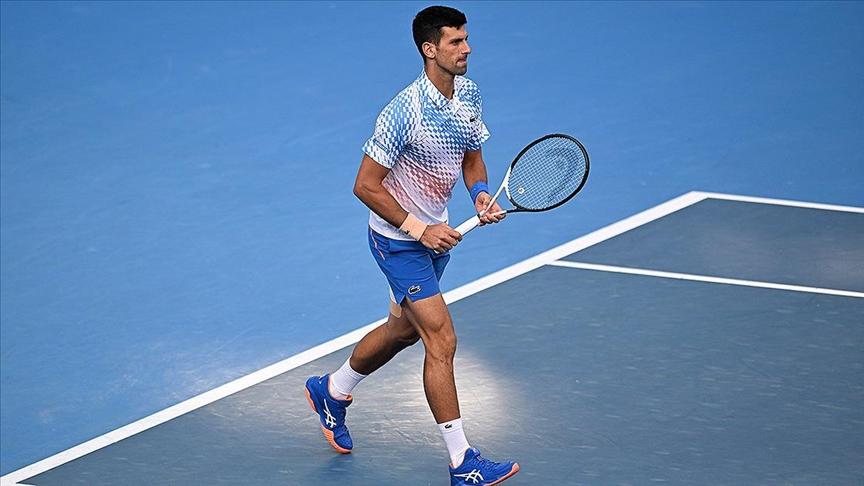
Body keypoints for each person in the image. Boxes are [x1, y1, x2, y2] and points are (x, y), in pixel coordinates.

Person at [305, 6, 519, 485]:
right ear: (429, 49)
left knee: (402, 332)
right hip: (398, 242)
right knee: (441, 340)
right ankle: (462, 463)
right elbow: (365, 185)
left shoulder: (468, 94)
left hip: (434, 235)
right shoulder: (404, 112)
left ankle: (331, 390)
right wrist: (419, 229)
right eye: (455, 42)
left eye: (466, 39)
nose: (467, 49)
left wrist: (480, 193)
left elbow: (472, 158)